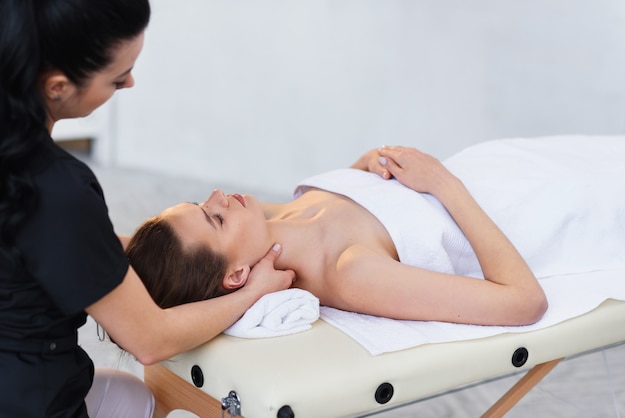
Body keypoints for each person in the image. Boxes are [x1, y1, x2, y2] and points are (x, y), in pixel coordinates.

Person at [0, 1, 294, 417]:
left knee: (134, 397)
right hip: (26, 399)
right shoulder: (58, 189)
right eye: (118, 79)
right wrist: (255, 292)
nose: (132, 81)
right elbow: (151, 340)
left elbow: (57, 244)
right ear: (58, 86)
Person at [126, 143, 554, 326]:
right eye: (214, 219)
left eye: (202, 204)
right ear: (237, 275)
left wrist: (362, 168)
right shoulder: (350, 271)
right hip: (540, 203)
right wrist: (441, 182)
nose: (218, 197)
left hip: (505, 161)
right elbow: (523, 302)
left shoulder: (278, 218)